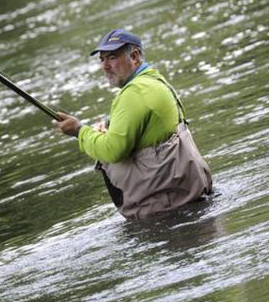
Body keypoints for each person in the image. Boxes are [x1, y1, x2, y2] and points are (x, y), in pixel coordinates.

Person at [54, 29, 213, 219]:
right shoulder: (155, 81)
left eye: (112, 57)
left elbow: (113, 150)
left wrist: (79, 131)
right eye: (102, 59)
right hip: (191, 196)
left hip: (166, 211)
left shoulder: (134, 93)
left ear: (135, 57)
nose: (105, 66)